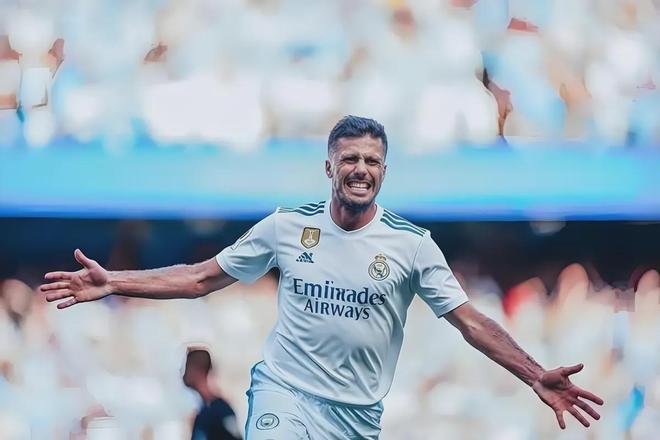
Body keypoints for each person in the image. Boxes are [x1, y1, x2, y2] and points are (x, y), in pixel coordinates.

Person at [40, 116, 603, 439]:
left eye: (372, 161)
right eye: (350, 159)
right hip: (284, 393)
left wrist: (534, 374)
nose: (361, 170)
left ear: (384, 171)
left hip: (355, 416)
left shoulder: (411, 245)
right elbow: (199, 278)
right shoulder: (286, 228)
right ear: (329, 166)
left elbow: (471, 323)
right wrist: (113, 281)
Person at [183, 347, 242, 440]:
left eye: (187, 367)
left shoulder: (221, 409)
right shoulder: (202, 412)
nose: (182, 373)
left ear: (197, 370)